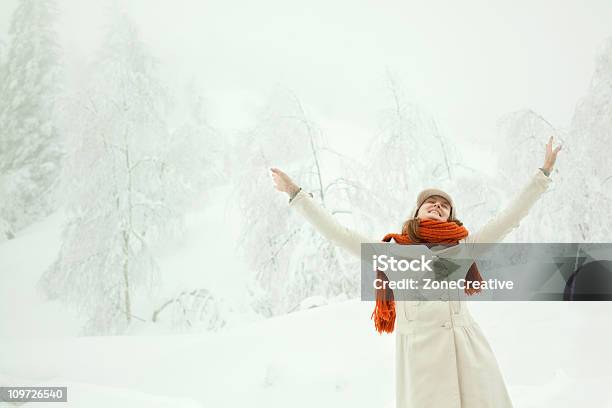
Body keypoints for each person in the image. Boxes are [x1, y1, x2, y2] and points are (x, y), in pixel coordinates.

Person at [270, 136, 561, 408]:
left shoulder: (463, 247)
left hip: (466, 354)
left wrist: (543, 175)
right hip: (421, 361)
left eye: (445, 206)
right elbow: (338, 233)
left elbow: (509, 218)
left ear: (450, 217)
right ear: (417, 212)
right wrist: (295, 193)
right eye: (431, 203)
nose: (438, 206)